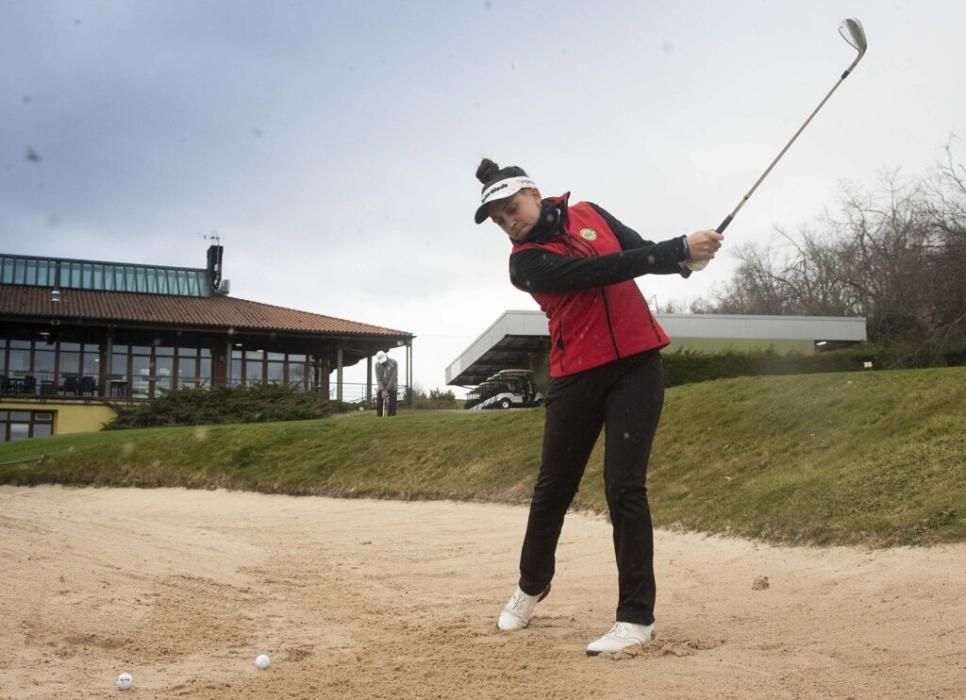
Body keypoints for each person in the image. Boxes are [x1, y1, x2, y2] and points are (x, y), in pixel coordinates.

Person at [474, 157, 722, 656]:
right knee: (553, 489)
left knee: (625, 487)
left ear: (535, 193)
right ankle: (531, 584)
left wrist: (687, 260)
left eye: (511, 209)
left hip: (637, 366)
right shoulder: (525, 263)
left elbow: (639, 252)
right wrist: (675, 249)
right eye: (499, 220)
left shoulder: (592, 213)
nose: (508, 222)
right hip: (575, 376)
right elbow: (596, 272)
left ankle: (635, 617)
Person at [374, 350, 398, 417]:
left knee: (392, 404)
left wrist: (386, 390)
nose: (383, 362)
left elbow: (393, 377)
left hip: (392, 385)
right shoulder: (377, 365)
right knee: (379, 401)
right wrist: (382, 390)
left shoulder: (394, 362)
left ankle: (391, 417)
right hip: (382, 385)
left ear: (386, 356)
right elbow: (378, 379)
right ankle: (379, 416)